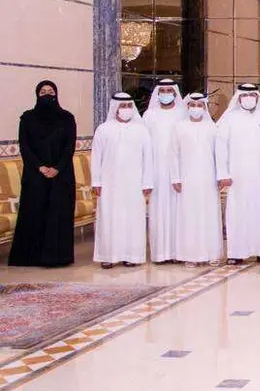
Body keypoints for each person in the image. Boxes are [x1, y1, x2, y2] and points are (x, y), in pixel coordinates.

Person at [8, 81, 77, 268]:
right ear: (37, 94)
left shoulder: (67, 118)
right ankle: (31, 257)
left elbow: (69, 147)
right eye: (43, 92)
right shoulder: (28, 118)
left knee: (57, 213)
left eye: (51, 91)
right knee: (35, 212)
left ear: (56, 94)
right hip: (35, 175)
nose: (47, 95)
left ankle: (57, 257)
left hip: (61, 176)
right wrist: (40, 167)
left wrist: (57, 168)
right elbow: (25, 146)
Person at [216, 83, 260, 265]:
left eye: (253, 95)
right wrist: (223, 173)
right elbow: (221, 147)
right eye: (245, 95)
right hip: (238, 176)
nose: (249, 98)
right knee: (238, 211)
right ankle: (236, 252)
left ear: (258, 97)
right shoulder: (229, 118)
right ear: (239, 98)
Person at [91, 93, 153, 268]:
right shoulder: (103, 129)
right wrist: (96, 182)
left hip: (134, 183)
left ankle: (131, 256)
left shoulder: (141, 130)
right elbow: (96, 157)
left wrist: (147, 182)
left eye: (128, 106)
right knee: (110, 218)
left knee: (133, 219)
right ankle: (108, 256)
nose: (125, 110)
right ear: (114, 108)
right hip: (110, 183)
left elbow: (148, 158)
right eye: (122, 106)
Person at [169, 93, 223, 267]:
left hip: (208, 179)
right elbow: (173, 154)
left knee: (209, 215)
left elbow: (219, 155)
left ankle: (212, 253)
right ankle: (189, 255)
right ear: (187, 107)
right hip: (187, 179)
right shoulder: (179, 127)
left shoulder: (212, 127)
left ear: (204, 108)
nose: (196, 108)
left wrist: (220, 176)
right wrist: (175, 177)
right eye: (193, 105)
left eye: (200, 105)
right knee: (189, 215)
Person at [144, 78, 187, 264]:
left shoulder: (183, 114)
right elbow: (144, 145)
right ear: (158, 94)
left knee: (179, 212)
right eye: (163, 91)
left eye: (170, 91)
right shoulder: (149, 115)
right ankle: (160, 254)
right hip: (156, 169)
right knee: (158, 211)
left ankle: (180, 252)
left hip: (180, 170)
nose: (167, 94)